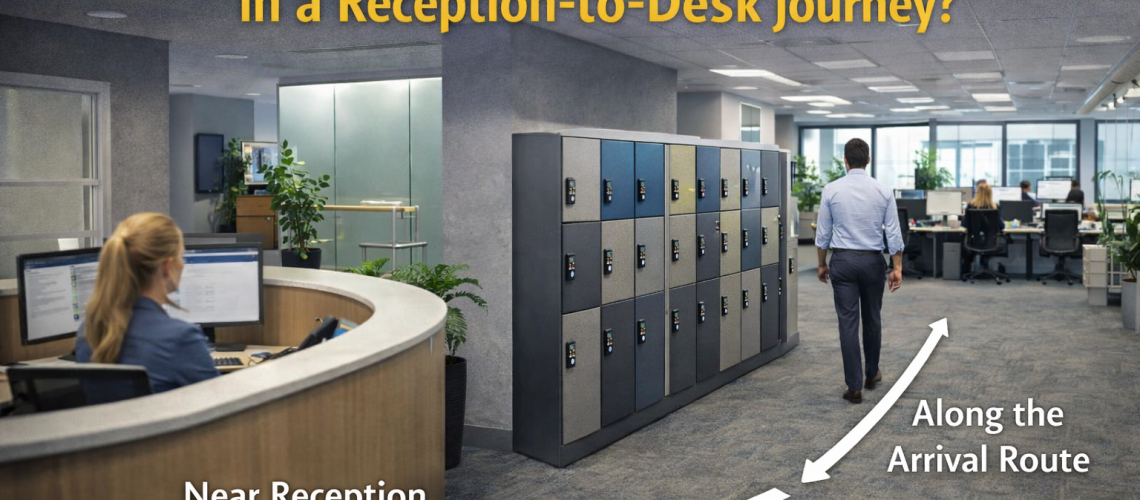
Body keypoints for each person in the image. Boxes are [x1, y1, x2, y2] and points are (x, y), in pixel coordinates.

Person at [76, 213, 218, 393]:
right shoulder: (181, 339)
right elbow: (221, 409)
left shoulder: (90, 330)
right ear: (167, 267)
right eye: (181, 256)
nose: (183, 264)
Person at [815, 139, 904, 405]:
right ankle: (871, 373)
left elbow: (823, 234)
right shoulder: (883, 190)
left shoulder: (831, 189)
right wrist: (897, 267)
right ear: (868, 160)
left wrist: (822, 263)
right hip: (872, 262)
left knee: (848, 323)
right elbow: (894, 233)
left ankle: (854, 387)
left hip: (842, 261)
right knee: (872, 318)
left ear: (845, 160)